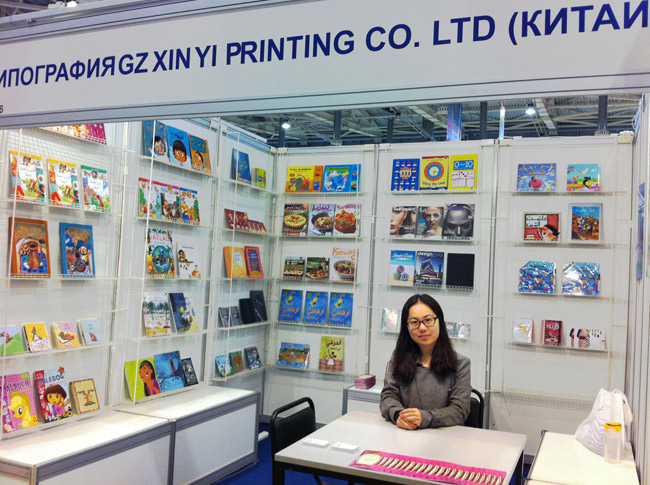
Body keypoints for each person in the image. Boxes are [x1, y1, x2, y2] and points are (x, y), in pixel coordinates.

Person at [380, 294, 471, 429]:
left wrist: (424, 417)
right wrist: (398, 415)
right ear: (407, 327)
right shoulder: (398, 357)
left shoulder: (461, 364)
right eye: (414, 322)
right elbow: (388, 396)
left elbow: (459, 410)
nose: (422, 328)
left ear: (440, 322)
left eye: (428, 320)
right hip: (405, 433)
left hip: (446, 435)